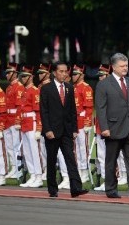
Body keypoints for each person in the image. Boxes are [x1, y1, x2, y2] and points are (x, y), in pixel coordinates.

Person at [95, 53, 129, 199]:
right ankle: (111, 190)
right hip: (113, 129)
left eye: (126, 65)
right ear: (113, 67)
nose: (125, 68)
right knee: (111, 160)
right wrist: (104, 127)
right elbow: (101, 108)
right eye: (122, 66)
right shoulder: (103, 84)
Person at [40, 61, 89, 198]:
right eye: (60, 71)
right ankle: (52, 188)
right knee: (51, 160)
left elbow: (72, 110)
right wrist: (47, 129)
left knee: (70, 158)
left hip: (67, 131)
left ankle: (76, 188)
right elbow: (44, 111)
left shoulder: (69, 88)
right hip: (52, 131)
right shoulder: (46, 89)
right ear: (54, 73)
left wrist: (74, 128)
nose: (63, 74)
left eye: (65, 71)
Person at [17, 65, 45, 188]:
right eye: (22, 76)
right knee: (27, 151)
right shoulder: (24, 91)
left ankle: (38, 176)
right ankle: (32, 175)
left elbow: (39, 111)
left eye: (25, 76)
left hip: (32, 122)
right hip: (24, 122)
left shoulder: (35, 90)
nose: (23, 78)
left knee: (35, 151)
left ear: (31, 77)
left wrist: (39, 128)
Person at [72, 64, 93, 182]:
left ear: (82, 75)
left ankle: (84, 171)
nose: (73, 76)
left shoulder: (86, 88)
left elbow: (89, 108)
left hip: (82, 121)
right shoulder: (73, 87)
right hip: (74, 122)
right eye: (73, 74)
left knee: (83, 148)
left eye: (76, 74)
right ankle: (78, 170)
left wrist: (87, 123)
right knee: (75, 148)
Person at [3, 63, 24, 179]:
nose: (7, 75)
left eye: (9, 72)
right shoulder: (9, 87)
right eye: (6, 73)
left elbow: (19, 106)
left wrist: (18, 120)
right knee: (9, 146)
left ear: (15, 74)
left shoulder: (19, 87)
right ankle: (13, 167)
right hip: (8, 120)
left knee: (17, 146)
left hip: (14, 120)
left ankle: (19, 169)